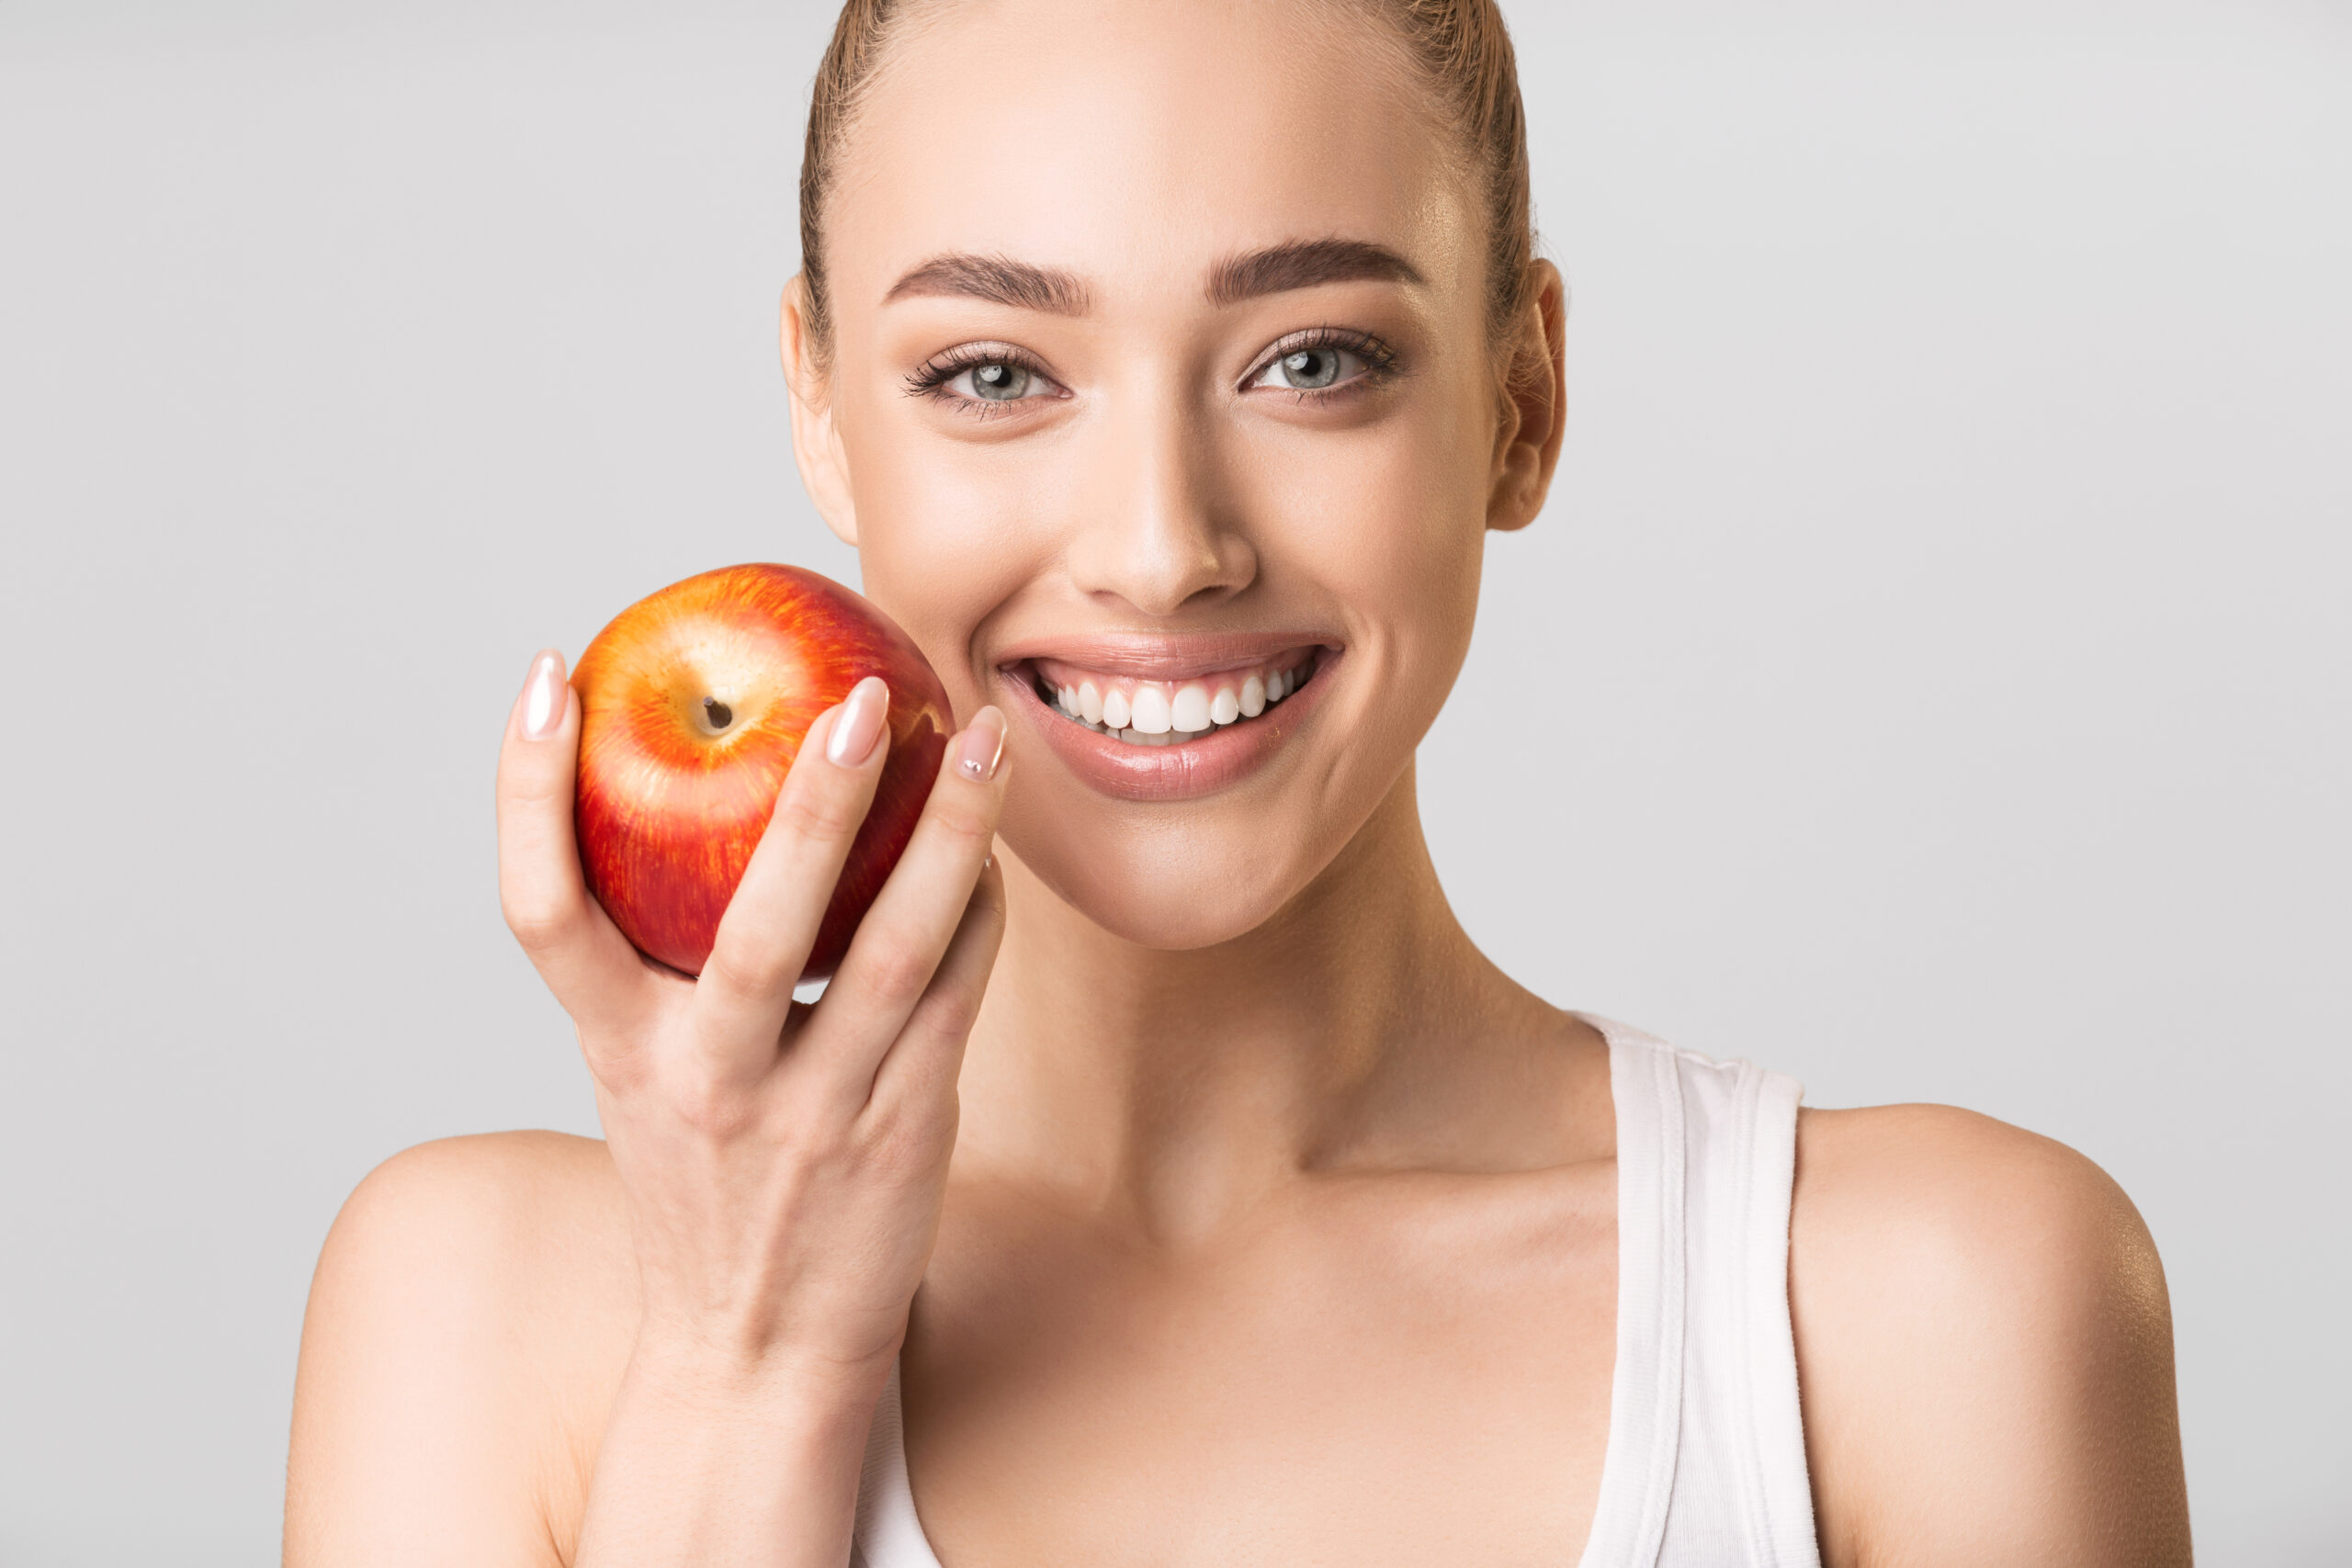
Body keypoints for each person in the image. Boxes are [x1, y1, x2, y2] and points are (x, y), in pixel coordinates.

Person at [283, 1, 2191, 1562]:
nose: (1160, 548)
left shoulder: (1925, 1316)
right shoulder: (480, 1320)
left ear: (1520, 402)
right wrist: (745, 1365)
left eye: (1310, 359)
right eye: (993, 374)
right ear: (821, 406)